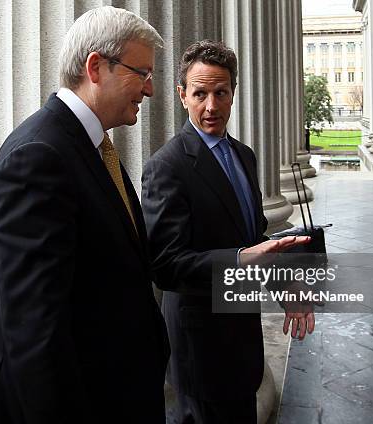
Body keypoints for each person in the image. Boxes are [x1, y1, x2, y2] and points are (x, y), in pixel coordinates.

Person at [0, 6, 169, 424]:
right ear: (96, 67)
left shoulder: (90, 145)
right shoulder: (37, 158)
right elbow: (34, 333)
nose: (150, 90)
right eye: (142, 73)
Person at [141, 40, 315, 424]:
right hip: (200, 350)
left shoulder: (244, 155)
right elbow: (167, 265)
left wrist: (286, 287)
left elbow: (254, 239)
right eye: (200, 93)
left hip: (243, 341)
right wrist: (238, 260)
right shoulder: (165, 167)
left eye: (220, 93)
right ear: (182, 95)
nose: (211, 106)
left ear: (233, 93)